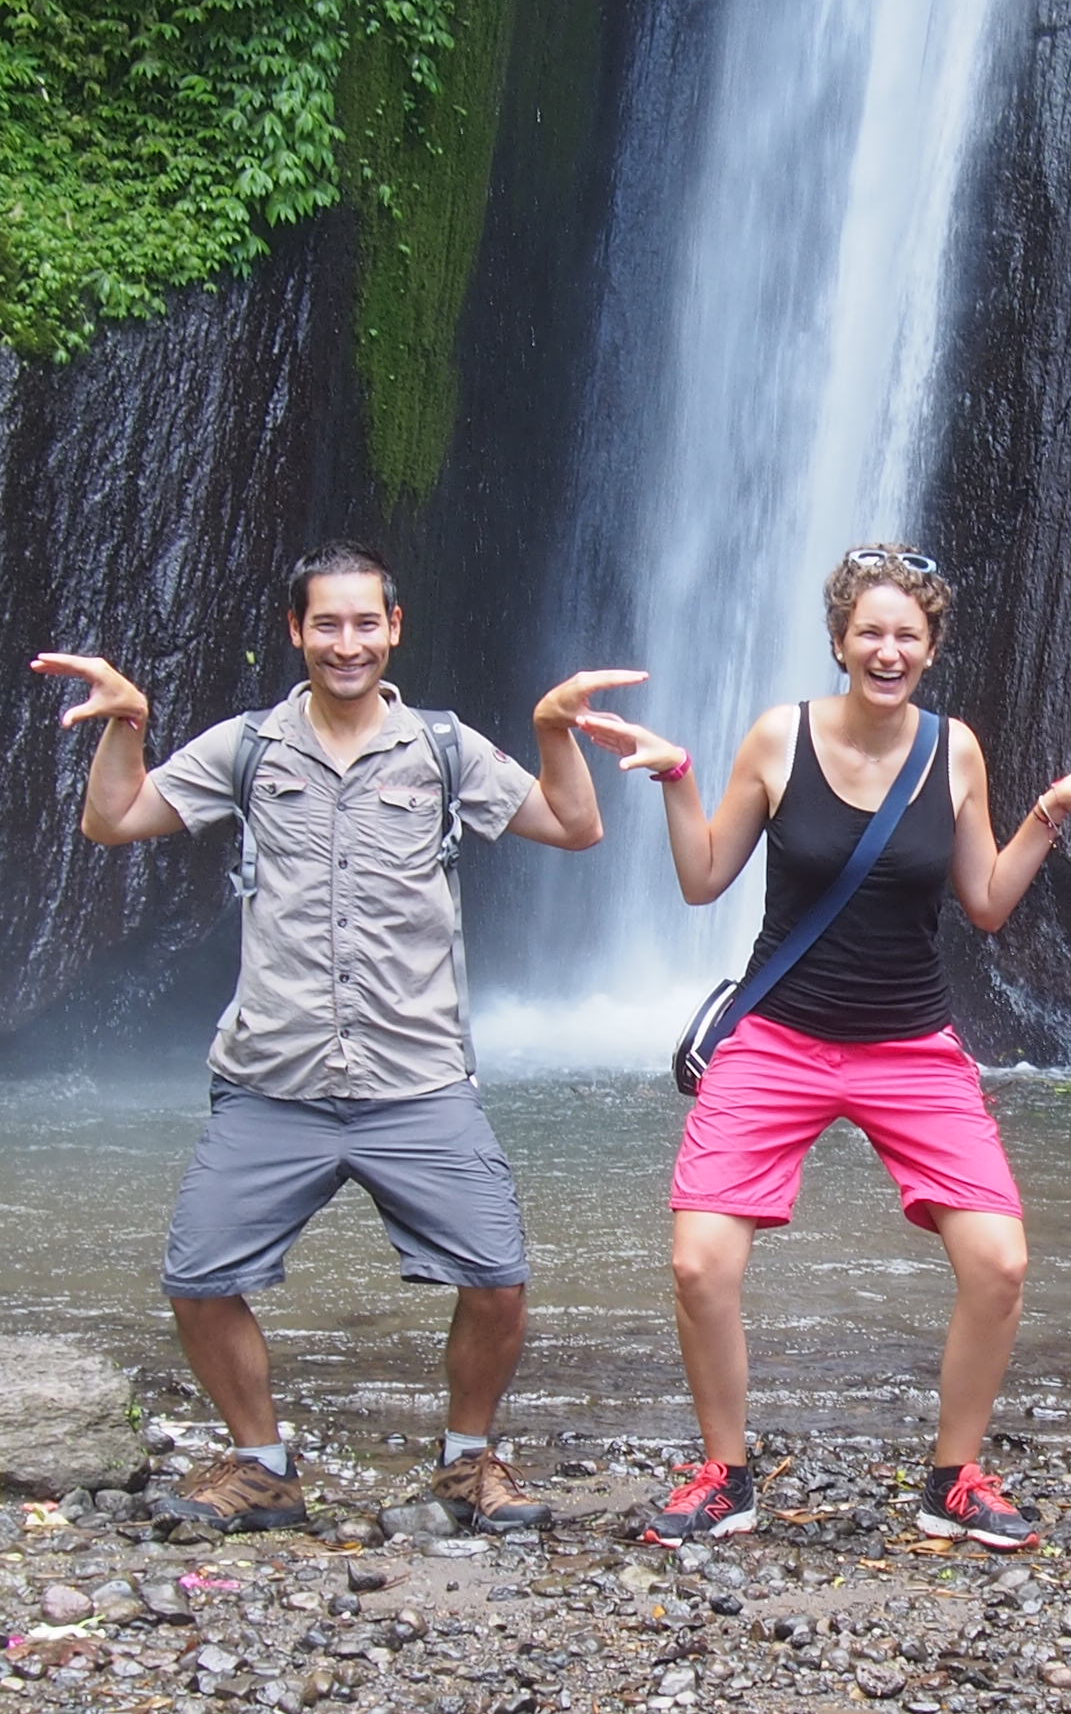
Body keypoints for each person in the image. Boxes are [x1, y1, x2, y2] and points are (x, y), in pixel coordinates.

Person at [32, 545, 649, 1538]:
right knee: (199, 1278)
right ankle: (263, 1468)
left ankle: (465, 1463)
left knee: (497, 1279)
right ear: (297, 632)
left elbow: (573, 827)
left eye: (366, 624)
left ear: (394, 630)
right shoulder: (249, 748)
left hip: (416, 1080)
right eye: (327, 625)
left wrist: (550, 734)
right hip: (274, 1078)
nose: (347, 643)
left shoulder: (443, 750)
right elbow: (114, 820)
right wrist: (128, 728)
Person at [591, 543, 1071, 1554]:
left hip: (909, 1045)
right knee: (700, 1262)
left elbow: (984, 903)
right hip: (779, 1039)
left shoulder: (955, 750)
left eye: (908, 636)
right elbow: (704, 878)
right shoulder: (778, 738)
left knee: (1000, 1262)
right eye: (870, 632)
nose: (888, 651)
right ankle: (725, 1473)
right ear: (841, 639)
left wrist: (1052, 811)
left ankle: (954, 1477)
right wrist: (677, 778)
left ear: (931, 648)